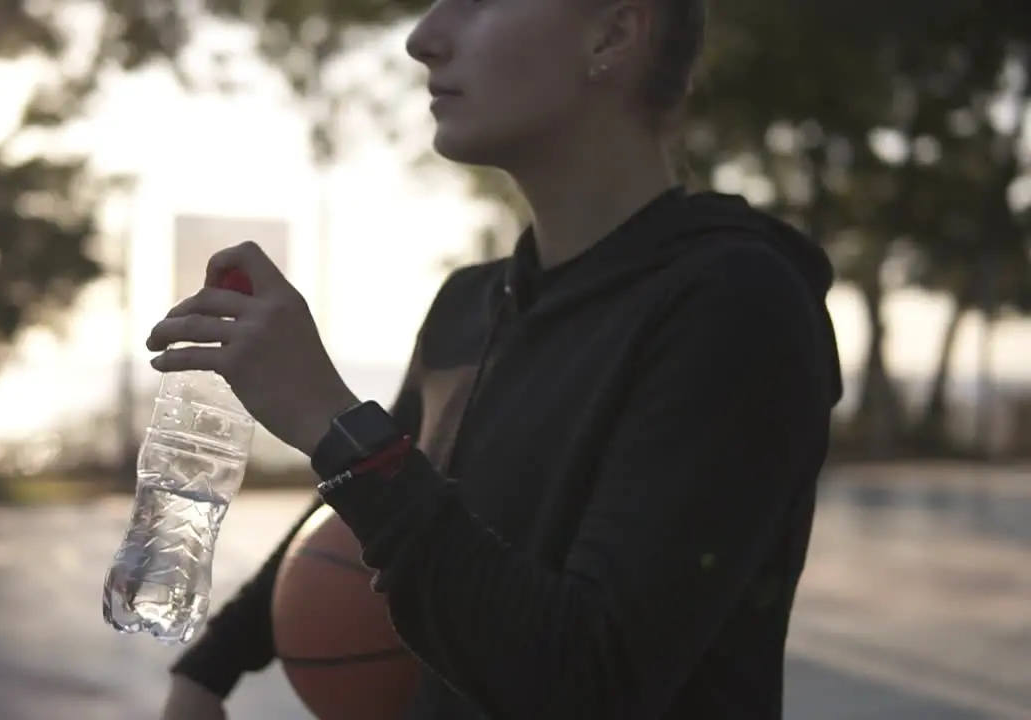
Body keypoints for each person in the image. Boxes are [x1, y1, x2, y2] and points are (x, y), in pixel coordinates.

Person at [151, 0, 842, 717]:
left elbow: (591, 676)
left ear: (610, 32)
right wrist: (210, 665)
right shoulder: (471, 305)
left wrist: (331, 421)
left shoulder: (733, 307)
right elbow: (366, 510)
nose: (423, 39)